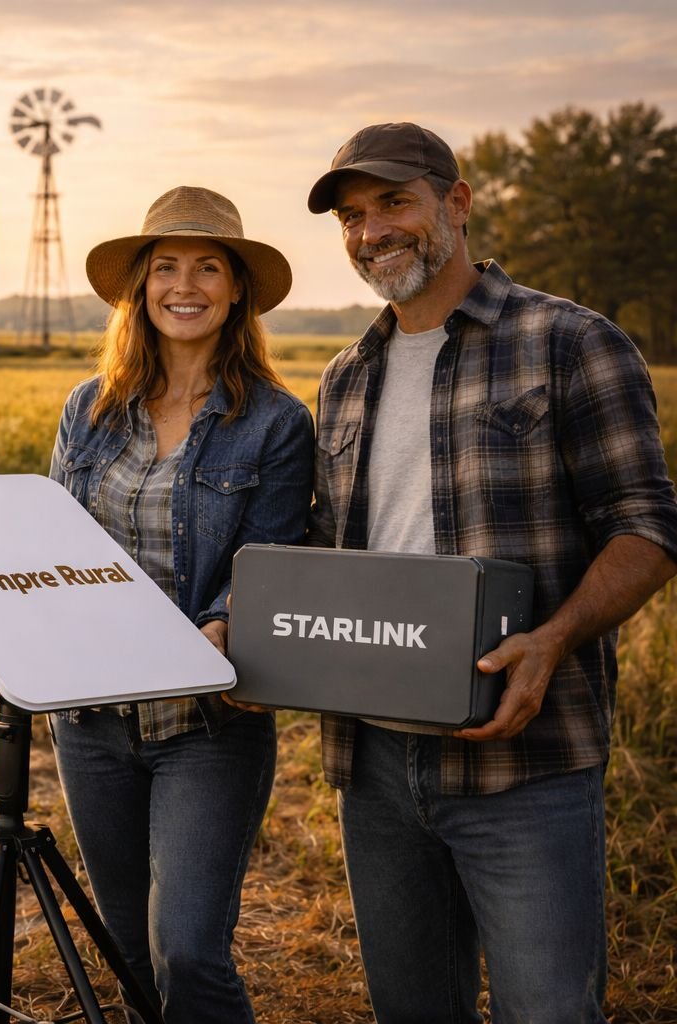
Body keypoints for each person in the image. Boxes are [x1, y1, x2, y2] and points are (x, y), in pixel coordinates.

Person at [305, 121, 677, 1023]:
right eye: (352, 216)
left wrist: (551, 640)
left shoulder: (569, 342)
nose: (370, 232)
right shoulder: (344, 379)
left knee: (546, 1009)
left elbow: (648, 526)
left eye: (393, 202)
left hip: (525, 756)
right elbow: (323, 554)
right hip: (376, 765)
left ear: (457, 203)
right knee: (413, 1008)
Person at [47, 185, 314, 1023]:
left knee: (188, 951)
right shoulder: (89, 412)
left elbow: (271, 561)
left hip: (206, 721)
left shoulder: (273, 424)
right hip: (90, 721)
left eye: (208, 267)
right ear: (140, 289)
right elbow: (50, 544)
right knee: (128, 955)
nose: (184, 285)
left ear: (236, 289)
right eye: (165, 267)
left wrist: (226, 622)